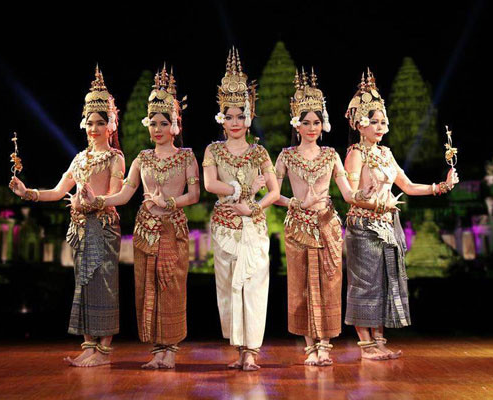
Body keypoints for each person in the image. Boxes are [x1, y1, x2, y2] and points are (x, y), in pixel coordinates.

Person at [82, 65, 199, 369]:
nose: (158, 129)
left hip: (172, 229)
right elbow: (125, 194)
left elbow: (194, 196)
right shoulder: (141, 158)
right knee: (147, 288)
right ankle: (156, 351)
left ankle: (170, 350)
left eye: (164, 123)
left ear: (175, 125)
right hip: (145, 231)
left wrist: (169, 202)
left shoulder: (186, 156)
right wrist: (99, 200)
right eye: (153, 123)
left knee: (171, 286)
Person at [10, 66, 125, 367]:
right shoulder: (79, 159)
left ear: (111, 125)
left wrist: (93, 200)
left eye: (101, 123)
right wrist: (27, 193)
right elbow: (58, 191)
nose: (94, 128)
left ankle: (103, 352)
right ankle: (88, 346)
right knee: (83, 286)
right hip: (81, 230)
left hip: (102, 228)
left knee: (104, 286)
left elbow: (114, 196)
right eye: (90, 122)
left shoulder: (115, 158)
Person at [343, 70, 459, 360]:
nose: (380, 127)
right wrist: (375, 202)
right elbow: (351, 195)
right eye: (374, 121)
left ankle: (380, 341)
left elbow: (407, 186)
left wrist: (440, 186)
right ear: (359, 124)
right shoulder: (355, 154)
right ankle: (366, 346)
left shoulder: (386, 153)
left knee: (385, 284)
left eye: (383, 122)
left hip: (387, 226)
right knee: (365, 284)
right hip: (363, 227)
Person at [275, 68, 365, 366]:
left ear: (322, 123)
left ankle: (325, 344)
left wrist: (367, 197)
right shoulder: (286, 155)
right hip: (298, 226)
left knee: (328, 283)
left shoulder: (331, 155)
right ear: (296, 124)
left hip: (327, 225)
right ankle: (309, 346)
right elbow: (273, 194)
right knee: (301, 285)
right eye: (306, 122)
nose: (311, 128)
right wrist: (296, 203)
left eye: (316, 122)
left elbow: (347, 193)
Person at [202, 47, 280, 371]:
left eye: (240, 115)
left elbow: (275, 192)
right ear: (221, 117)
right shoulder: (212, 150)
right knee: (228, 289)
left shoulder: (260, 152)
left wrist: (253, 208)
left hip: (253, 227)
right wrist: (242, 190)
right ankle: (238, 349)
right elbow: (210, 185)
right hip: (224, 227)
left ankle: (252, 352)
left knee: (255, 286)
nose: (234, 122)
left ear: (249, 116)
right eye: (229, 116)